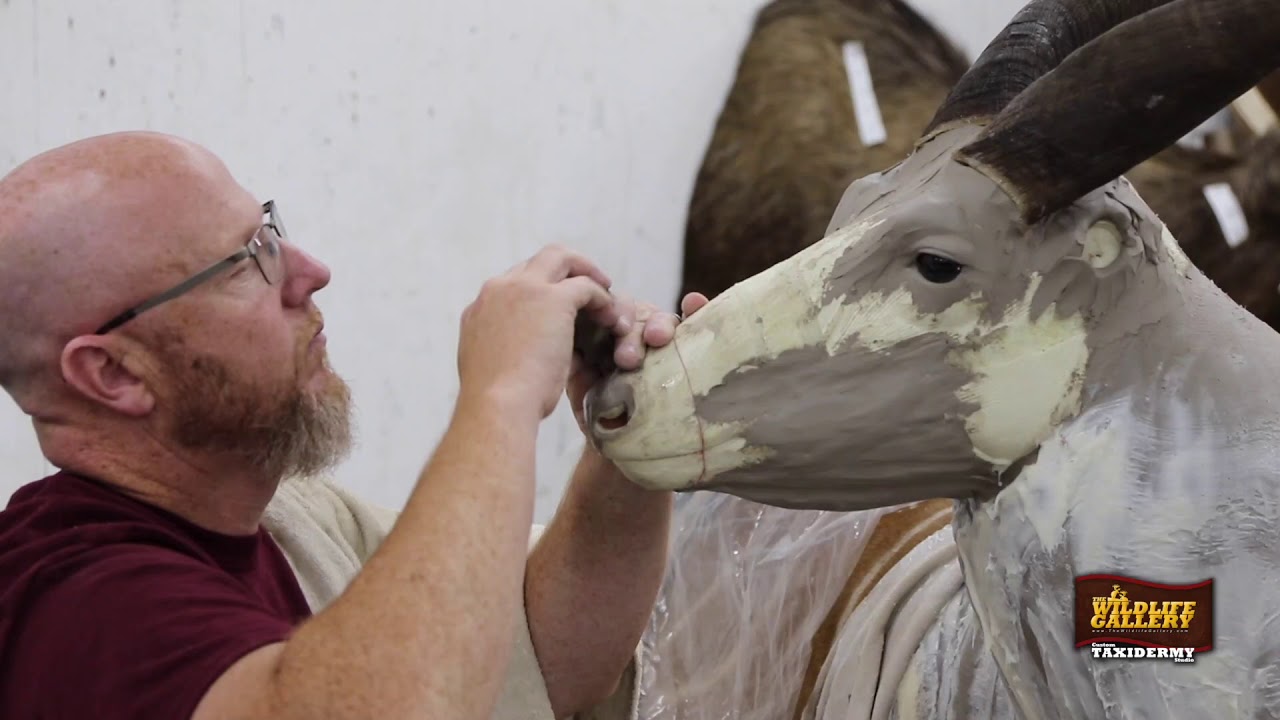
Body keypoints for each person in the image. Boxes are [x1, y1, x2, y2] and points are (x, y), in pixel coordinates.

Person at [0, 131, 710, 719]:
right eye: (247, 261)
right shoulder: (76, 606)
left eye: (271, 231)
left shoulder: (285, 516)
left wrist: (627, 432)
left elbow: (539, 657)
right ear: (114, 374)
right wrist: (502, 392)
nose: (310, 272)